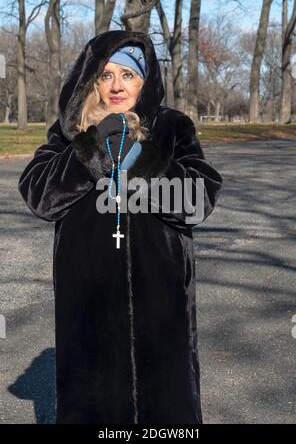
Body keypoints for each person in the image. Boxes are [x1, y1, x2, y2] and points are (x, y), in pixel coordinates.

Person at [18, 30, 223, 424]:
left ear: (144, 81)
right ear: (92, 79)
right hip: (88, 301)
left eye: (128, 75)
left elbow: (199, 199)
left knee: (165, 409)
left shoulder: (171, 127)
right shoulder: (70, 131)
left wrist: (137, 158)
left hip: (161, 296)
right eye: (106, 74)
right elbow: (39, 196)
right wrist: (92, 149)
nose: (116, 86)